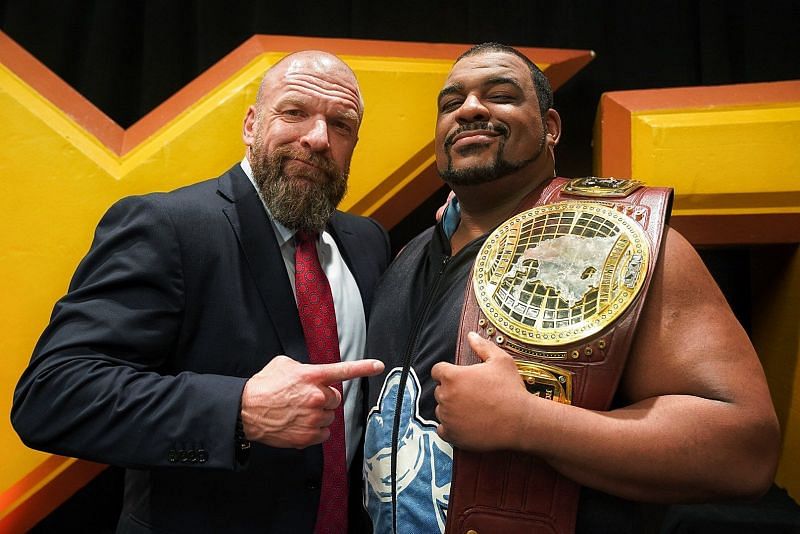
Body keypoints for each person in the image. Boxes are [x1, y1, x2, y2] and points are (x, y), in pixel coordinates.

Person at [363, 42, 780, 533]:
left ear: (551, 128)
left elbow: (746, 452)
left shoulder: (624, 244)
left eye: (500, 95)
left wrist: (530, 423)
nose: (471, 109)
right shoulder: (408, 256)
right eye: (451, 103)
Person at [12, 50, 390, 534]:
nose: (317, 138)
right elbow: (53, 395)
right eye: (294, 112)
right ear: (251, 124)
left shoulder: (368, 242)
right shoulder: (167, 226)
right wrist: (238, 409)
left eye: (340, 125)